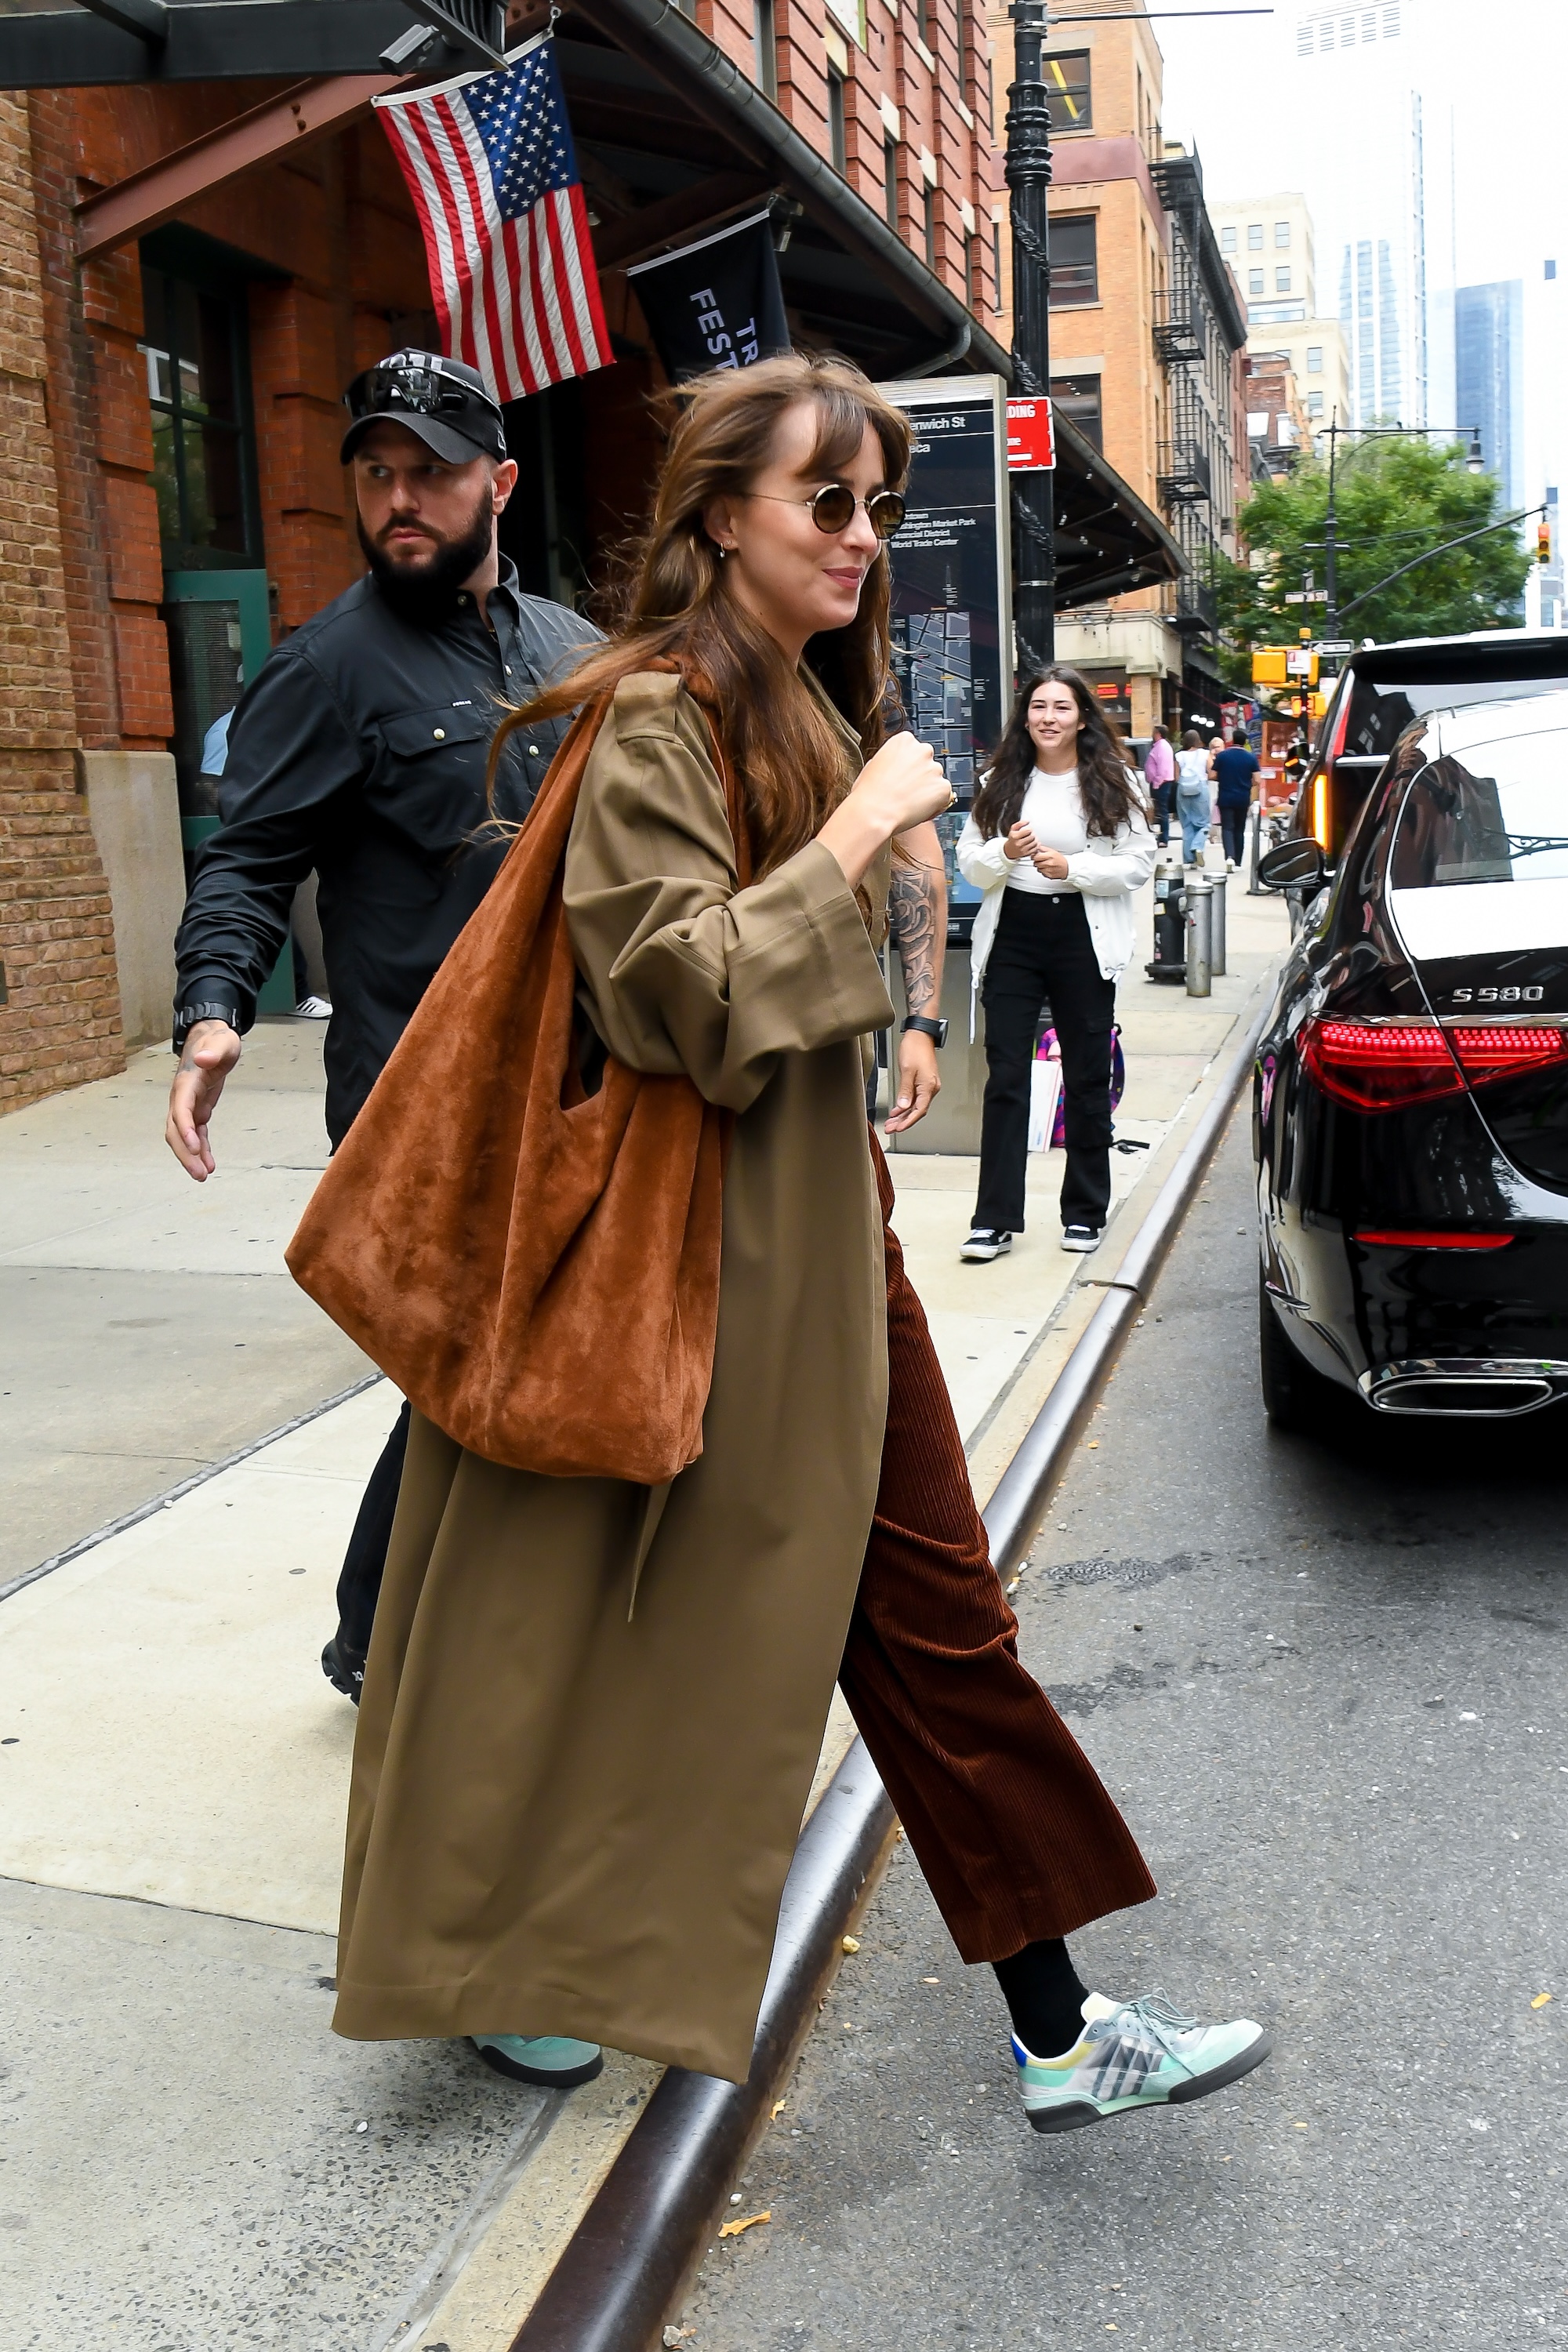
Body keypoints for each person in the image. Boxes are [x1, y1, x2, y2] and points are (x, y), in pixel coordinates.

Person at [328, 351, 1269, 2124]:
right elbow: (674, 987)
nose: (858, 538)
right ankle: (510, 1963)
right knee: (602, 1624)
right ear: (715, 518)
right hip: (708, 1272)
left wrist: (903, 1003)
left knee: (923, 1624)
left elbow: (842, 929)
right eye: (821, 504)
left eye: (873, 508)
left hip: (811, 1254)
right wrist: (852, 829)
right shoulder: (659, 720)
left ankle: (1056, 2027)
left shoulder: (775, 699)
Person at [163, 350, 598, 1704]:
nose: (399, 498)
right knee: (473, 1368)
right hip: (422, 1096)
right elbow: (246, 859)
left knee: (496, 1378)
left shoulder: (572, 651)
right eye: (376, 474)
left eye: (430, 471)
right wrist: (214, 1005)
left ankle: (389, 1632)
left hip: (579, 1085)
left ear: (500, 484)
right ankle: (388, 1639)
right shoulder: (327, 666)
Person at [955, 669, 1156, 1266]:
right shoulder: (1002, 780)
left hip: (1081, 933)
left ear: (1082, 718)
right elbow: (969, 863)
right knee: (1007, 1075)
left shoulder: (1115, 782)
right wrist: (1005, 853)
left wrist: (1075, 869)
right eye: (1037, 706)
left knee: (1088, 1074)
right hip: (1014, 933)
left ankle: (1086, 1211)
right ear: (1025, 717)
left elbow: (1139, 862)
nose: (1048, 717)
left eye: (1061, 707)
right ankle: (994, 1221)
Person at [1213, 726, 1261, 867]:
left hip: (1225, 797)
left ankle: (1230, 857)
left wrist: (1224, 779)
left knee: (1227, 827)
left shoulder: (1222, 756)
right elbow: (1257, 780)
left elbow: (1212, 775)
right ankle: (1238, 861)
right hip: (1243, 797)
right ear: (1245, 741)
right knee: (1240, 829)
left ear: (1233, 740)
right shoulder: (1251, 757)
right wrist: (1247, 783)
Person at [1174, 727, 1214, 865]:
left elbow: (1176, 777)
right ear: (1198, 741)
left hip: (1183, 789)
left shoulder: (1179, 755)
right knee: (1204, 823)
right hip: (1200, 787)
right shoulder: (1205, 754)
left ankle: (1189, 861)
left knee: (1187, 825)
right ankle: (1197, 847)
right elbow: (1212, 772)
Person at [1143, 720, 1174, 845]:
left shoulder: (1162, 746)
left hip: (1161, 783)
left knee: (1162, 810)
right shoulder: (1159, 746)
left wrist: (1157, 782)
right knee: (1160, 810)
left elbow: (1163, 767)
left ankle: (1164, 838)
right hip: (1159, 782)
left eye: (1154, 732)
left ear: (1158, 734)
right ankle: (1161, 836)